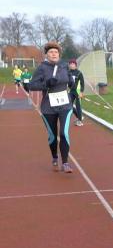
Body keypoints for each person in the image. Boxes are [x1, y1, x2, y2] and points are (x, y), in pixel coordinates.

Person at [29, 42, 75, 173]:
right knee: (52, 136)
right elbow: (32, 86)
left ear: (59, 54)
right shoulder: (42, 68)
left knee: (64, 133)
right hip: (48, 107)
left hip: (65, 105)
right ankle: (54, 156)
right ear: (47, 55)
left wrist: (73, 90)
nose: (54, 54)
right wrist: (47, 84)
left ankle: (65, 163)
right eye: (51, 52)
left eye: (56, 52)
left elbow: (70, 81)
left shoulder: (64, 66)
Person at [68, 59, 85, 126]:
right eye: (70, 64)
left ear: (75, 65)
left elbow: (82, 84)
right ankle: (79, 116)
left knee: (78, 106)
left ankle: (80, 121)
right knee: (69, 105)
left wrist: (81, 92)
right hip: (71, 91)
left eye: (73, 64)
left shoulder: (79, 73)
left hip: (78, 92)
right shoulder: (68, 72)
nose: (72, 65)